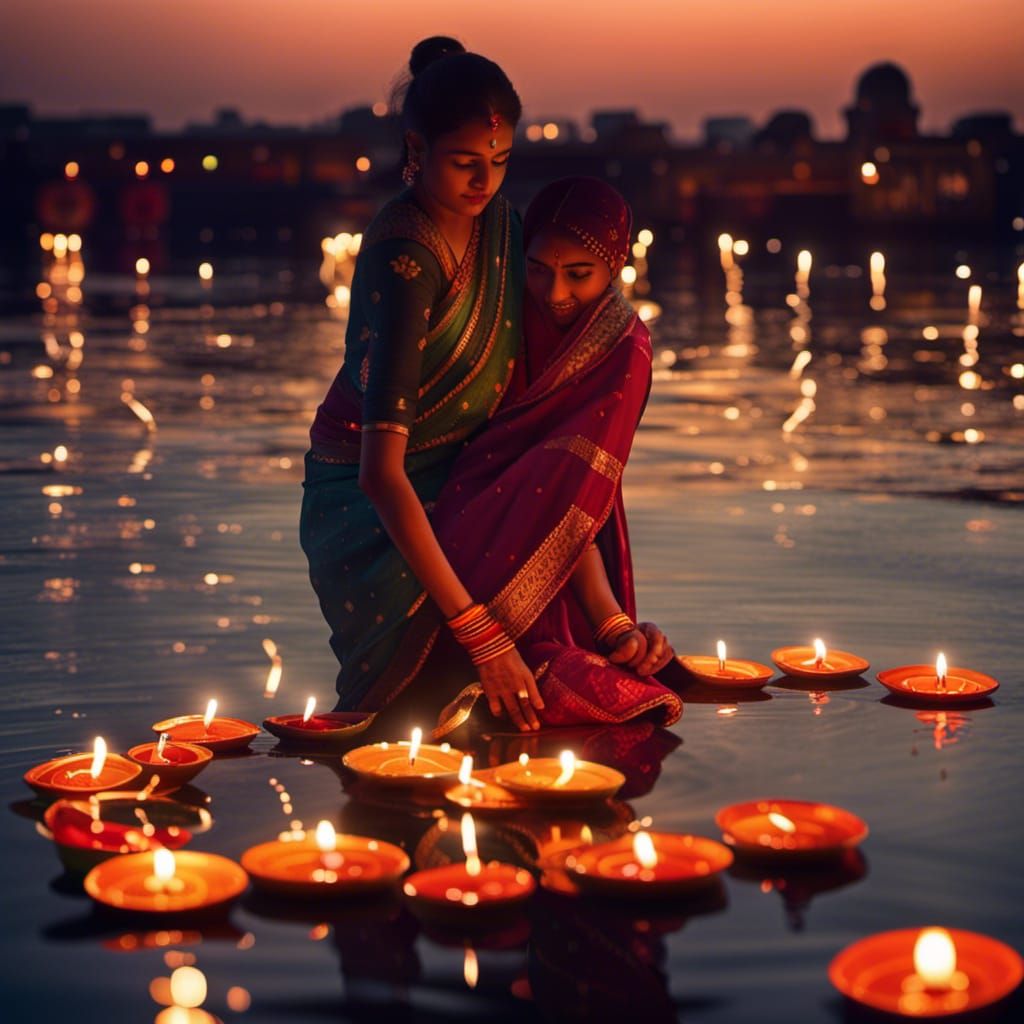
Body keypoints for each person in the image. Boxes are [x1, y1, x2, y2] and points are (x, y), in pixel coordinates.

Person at [300, 36, 544, 726]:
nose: (484, 182)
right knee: (403, 721)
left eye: (500, 161)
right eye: (465, 162)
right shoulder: (404, 255)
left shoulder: (502, 227)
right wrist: (479, 632)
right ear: (417, 147)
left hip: (465, 476)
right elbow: (381, 474)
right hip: (371, 504)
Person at [428, 177, 683, 735]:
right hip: (455, 530)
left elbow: (572, 494)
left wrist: (613, 625)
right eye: (538, 269)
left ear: (615, 267)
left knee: (605, 688)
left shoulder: (623, 350)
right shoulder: (498, 318)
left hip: (560, 556)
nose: (555, 293)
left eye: (579, 274)